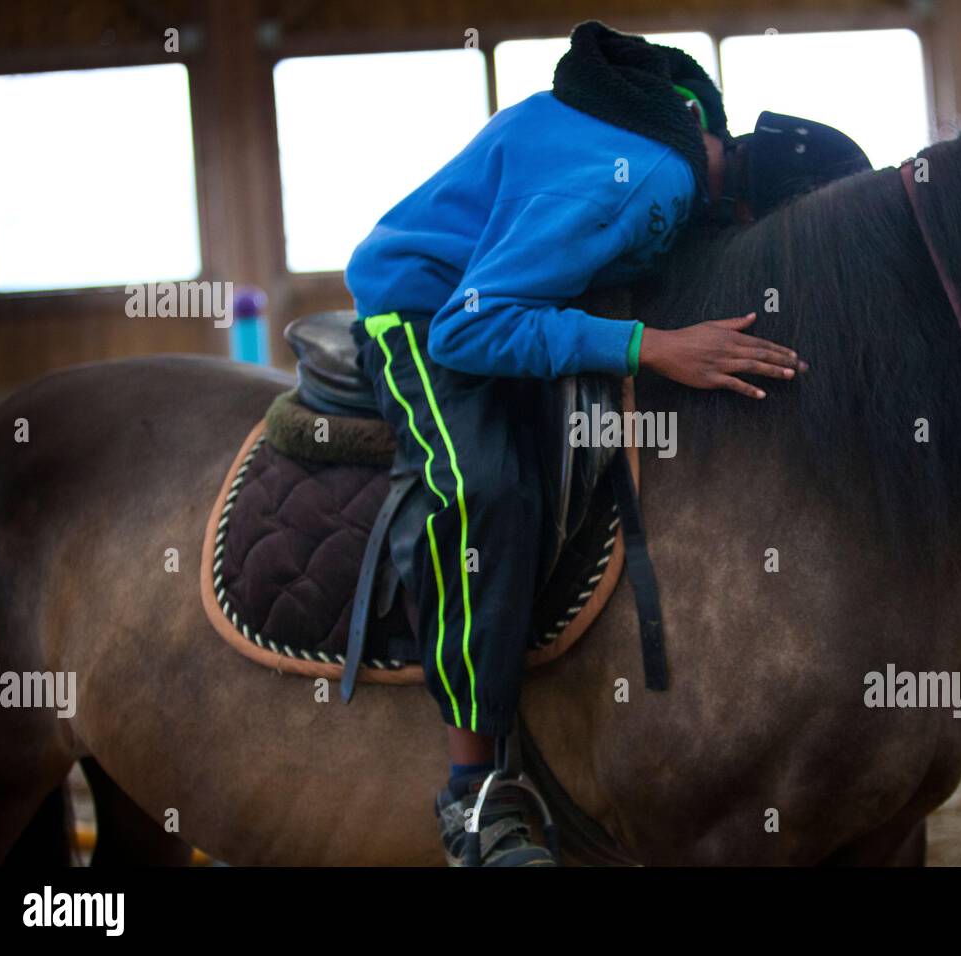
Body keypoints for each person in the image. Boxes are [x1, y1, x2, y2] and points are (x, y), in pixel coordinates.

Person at [344, 20, 867, 866]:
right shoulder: (651, 183)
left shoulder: (680, 134)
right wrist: (654, 347)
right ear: (751, 212)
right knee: (487, 494)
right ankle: (475, 797)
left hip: (492, 294)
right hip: (421, 309)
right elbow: (472, 329)